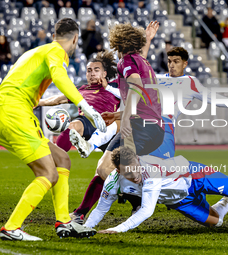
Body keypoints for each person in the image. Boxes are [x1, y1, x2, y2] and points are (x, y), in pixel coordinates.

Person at [69, 46, 228, 223]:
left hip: (164, 131)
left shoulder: (190, 82)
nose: (172, 65)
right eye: (169, 61)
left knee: (157, 173)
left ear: (185, 64)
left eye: (176, 62)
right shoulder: (158, 79)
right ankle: (136, 204)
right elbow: (139, 99)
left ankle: (148, 203)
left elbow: (216, 99)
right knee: (123, 166)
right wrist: (116, 109)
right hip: (141, 124)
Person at [0, 18, 106, 241]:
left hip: (2, 113)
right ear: (75, 38)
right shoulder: (58, 52)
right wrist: (85, 105)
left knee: (62, 159)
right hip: (16, 114)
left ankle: (64, 223)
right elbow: (59, 76)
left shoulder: (31, 54)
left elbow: (9, 88)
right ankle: (11, 227)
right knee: (47, 174)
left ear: (53, 35)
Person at [69, 21, 165, 222]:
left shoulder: (126, 61)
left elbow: (136, 86)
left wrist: (127, 120)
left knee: (106, 168)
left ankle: (81, 214)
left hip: (140, 128)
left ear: (117, 42)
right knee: (118, 168)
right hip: (153, 127)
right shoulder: (141, 61)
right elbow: (144, 102)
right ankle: (134, 203)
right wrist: (117, 116)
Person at [84, 144, 228, 233]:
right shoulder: (113, 181)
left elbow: (147, 210)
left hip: (195, 176)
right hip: (180, 201)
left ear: (138, 160)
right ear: (118, 171)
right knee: (217, 222)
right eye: (129, 172)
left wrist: (117, 230)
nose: (135, 174)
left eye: (136, 167)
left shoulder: (150, 171)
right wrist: (86, 228)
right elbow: (101, 208)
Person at [38, 50, 120, 154]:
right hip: (88, 122)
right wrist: (36, 102)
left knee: (106, 168)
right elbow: (58, 100)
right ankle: (56, 157)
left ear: (104, 73)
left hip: (108, 126)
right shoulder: (80, 89)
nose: (92, 73)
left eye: (96, 70)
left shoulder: (114, 87)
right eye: (89, 70)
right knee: (72, 127)